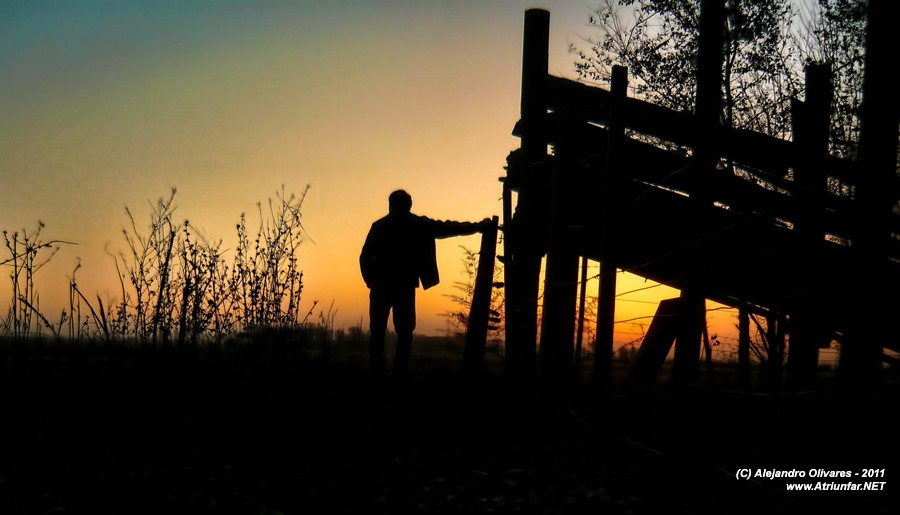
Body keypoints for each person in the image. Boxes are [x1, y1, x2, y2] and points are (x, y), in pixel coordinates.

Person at [360, 189, 487, 380]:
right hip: (404, 286)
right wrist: (478, 226)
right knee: (404, 333)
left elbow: (364, 257)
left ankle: (378, 375)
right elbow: (448, 228)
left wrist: (371, 280)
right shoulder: (417, 225)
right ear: (409, 205)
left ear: (390, 205)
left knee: (378, 332)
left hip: (382, 286)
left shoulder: (380, 226)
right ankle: (399, 375)